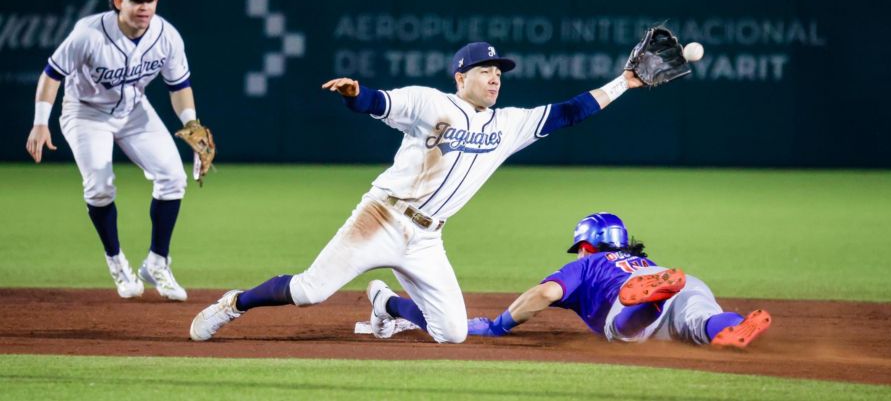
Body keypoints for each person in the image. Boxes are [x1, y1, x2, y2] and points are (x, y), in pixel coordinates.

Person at [189, 41, 647, 342]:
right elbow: (380, 102)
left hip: (428, 238)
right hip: (382, 218)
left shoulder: (511, 124)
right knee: (310, 291)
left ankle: (385, 303)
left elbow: (572, 111)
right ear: (460, 77)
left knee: (452, 333)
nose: (494, 77)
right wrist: (356, 93)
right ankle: (233, 304)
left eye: (498, 72)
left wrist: (624, 82)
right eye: (484, 70)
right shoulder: (432, 103)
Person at [25, 0, 202, 302]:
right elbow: (52, 74)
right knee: (100, 186)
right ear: (119, 1)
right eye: (136, 0)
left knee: (174, 178)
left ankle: (157, 263)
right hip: (86, 113)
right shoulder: (87, 34)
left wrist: (191, 124)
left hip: (135, 111)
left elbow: (179, 86)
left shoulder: (166, 36)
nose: (144, 7)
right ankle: (116, 261)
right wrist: (40, 122)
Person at [454, 212, 771, 348]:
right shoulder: (642, 260)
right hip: (683, 281)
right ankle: (735, 324)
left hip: (632, 294)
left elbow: (546, 293)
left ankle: (652, 301)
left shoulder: (588, 264)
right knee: (703, 323)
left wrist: (499, 325)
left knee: (621, 333)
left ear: (586, 245)